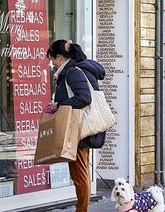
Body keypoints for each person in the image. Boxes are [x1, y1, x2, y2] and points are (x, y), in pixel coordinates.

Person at [47, 40, 105, 212]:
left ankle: (82, 209)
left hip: (79, 130)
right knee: (81, 172)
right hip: (78, 128)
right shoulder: (76, 68)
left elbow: (84, 98)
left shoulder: (72, 71)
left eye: (52, 59)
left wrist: (60, 105)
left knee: (79, 175)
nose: (52, 64)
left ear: (59, 57)